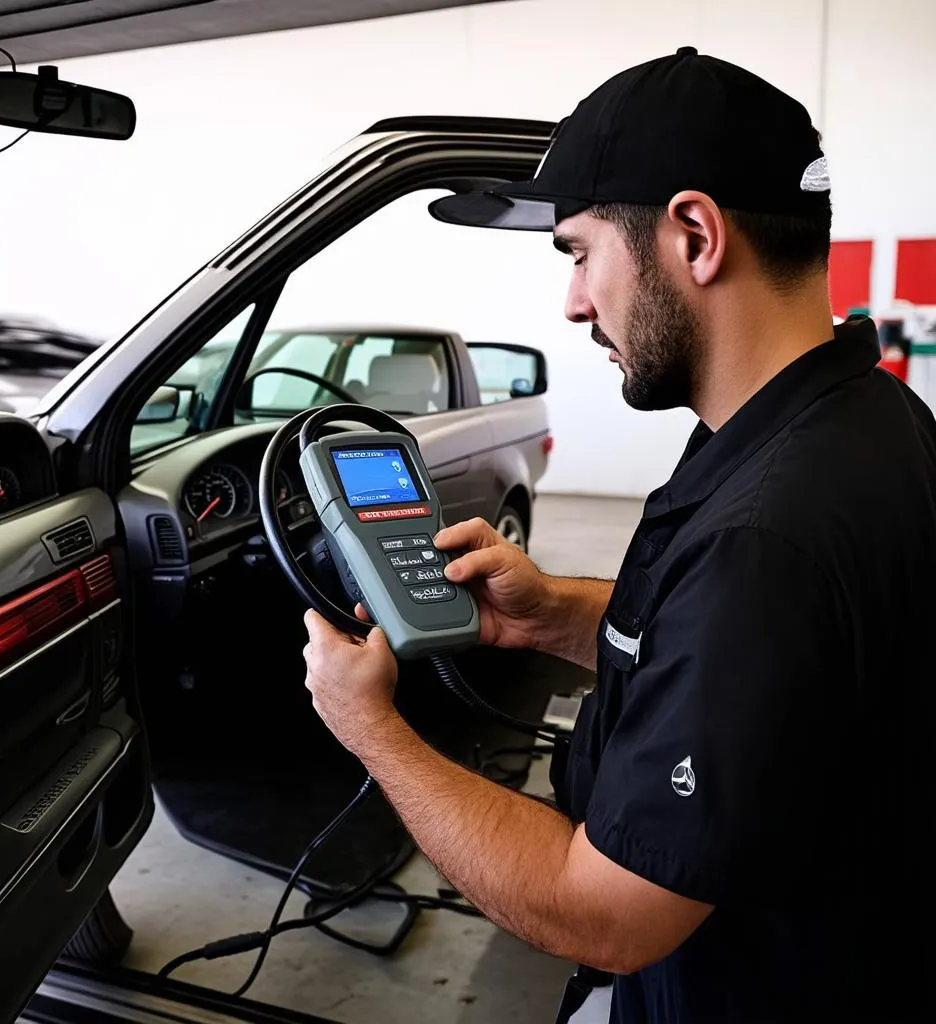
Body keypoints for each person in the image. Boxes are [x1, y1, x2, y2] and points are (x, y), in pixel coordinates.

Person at [302, 47, 936, 1023]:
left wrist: (372, 730)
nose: (571, 301)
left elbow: (605, 913)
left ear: (693, 234)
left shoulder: (766, 535)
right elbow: (743, 669)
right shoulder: (865, 418)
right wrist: (551, 614)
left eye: (579, 252)